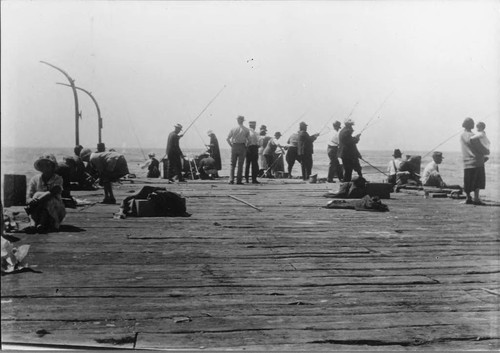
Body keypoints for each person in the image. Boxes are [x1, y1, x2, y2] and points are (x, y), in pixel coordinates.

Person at [25, 154, 66, 233]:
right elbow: (28, 195)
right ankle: (34, 223)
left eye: (48, 165)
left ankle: (41, 222)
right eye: (42, 164)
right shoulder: (35, 179)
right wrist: (30, 200)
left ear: (53, 167)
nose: (45, 167)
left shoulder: (58, 178)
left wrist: (37, 199)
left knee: (46, 198)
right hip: (37, 209)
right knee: (35, 197)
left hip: (55, 209)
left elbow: (53, 192)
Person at [460, 117, 488, 205]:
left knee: (467, 181)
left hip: (466, 162)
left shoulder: (462, 135)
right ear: (472, 125)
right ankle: (476, 198)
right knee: (477, 181)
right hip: (477, 161)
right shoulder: (473, 136)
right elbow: (480, 148)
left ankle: (468, 198)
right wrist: (487, 151)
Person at [226, 115, 250, 184]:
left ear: (237, 120)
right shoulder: (246, 129)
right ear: (243, 121)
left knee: (232, 164)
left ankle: (231, 179)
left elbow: (227, 139)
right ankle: (239, 180)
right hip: (242, 146)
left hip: (234, 146)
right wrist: (246, 147)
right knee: (240, 164)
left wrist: (231, 145)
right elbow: (249, 141)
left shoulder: (233, 129)